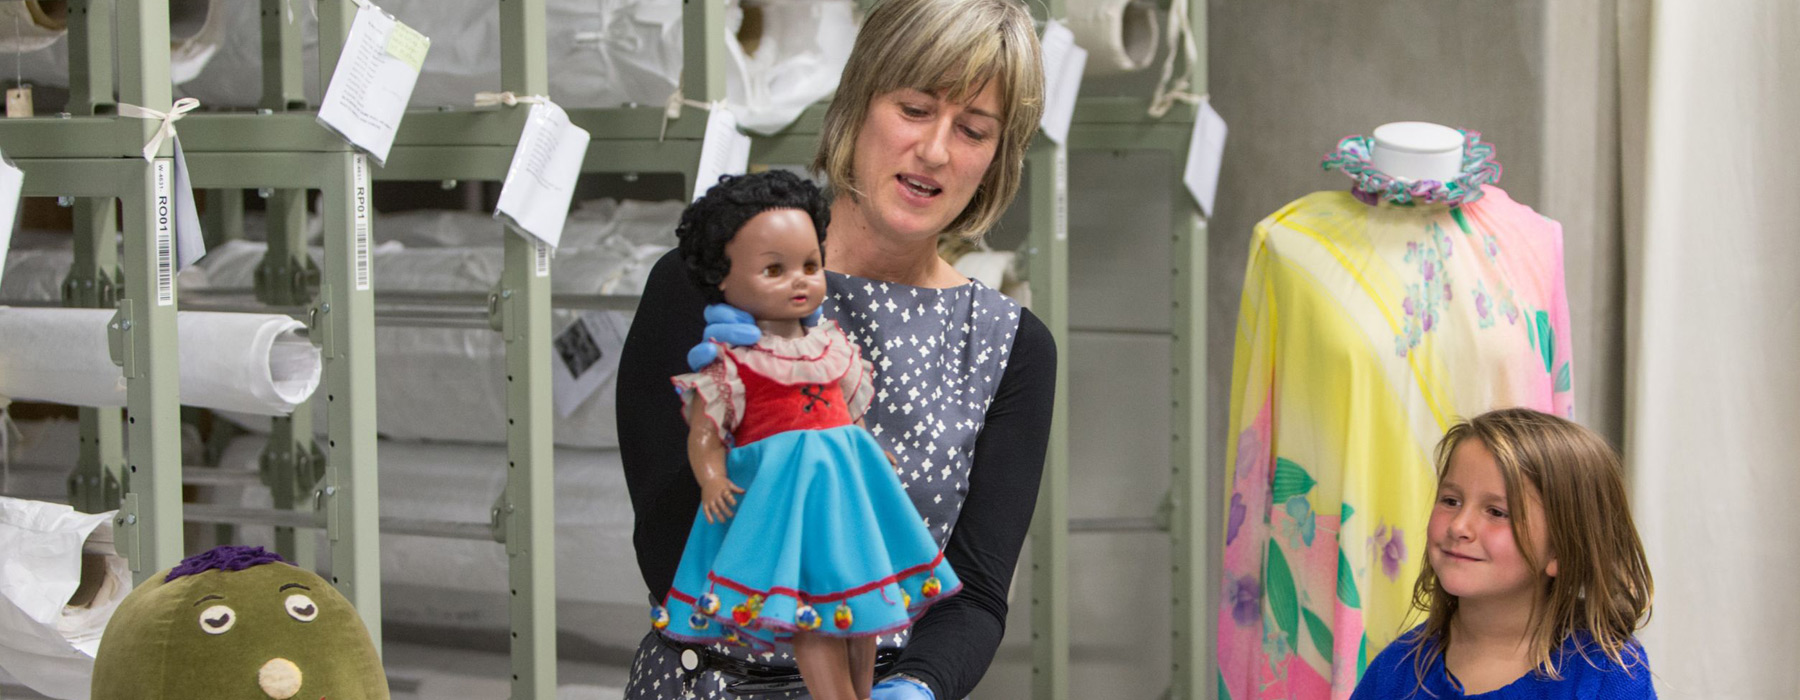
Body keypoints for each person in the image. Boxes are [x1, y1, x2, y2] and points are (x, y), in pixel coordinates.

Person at [616, 0, 1049, 696]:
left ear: (997, 158)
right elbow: (666, 537)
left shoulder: (1011, 346)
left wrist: (912, 689)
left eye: (972, 129)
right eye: (914, 108)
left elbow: (977, 592)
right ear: (857, 103)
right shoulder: (707, 286)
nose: (936, 150)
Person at [656, 170, 962, 700]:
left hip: (846, 491)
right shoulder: (733, 365)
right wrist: (711, 478)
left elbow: (848, 413)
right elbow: (705, 434)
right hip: (784, 504)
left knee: (862, 608)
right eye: (774, 269)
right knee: (813, 617)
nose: (799, 280)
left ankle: (863, 692)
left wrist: (872, 452)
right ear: (721, 279)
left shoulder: (829, 346)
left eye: (810, 266)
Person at [1349, 408, 1656, 699]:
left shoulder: (1607, 673)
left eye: (1496, 512)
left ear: (1561, 551)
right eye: (1451, 501)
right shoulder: (1394, 673)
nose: (1459, 526)